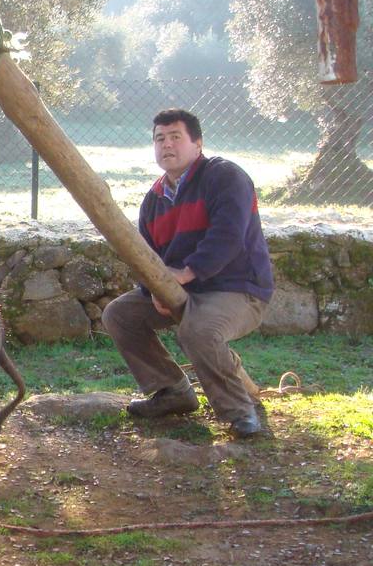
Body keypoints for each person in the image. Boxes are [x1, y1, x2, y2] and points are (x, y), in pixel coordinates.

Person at [103, 108, 273, 439]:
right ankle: (173, 391)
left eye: (175, 137)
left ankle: (240, 411)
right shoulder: (153, 200)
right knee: (119, 314)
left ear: (197, 143)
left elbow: (228, 237)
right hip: (185, 290)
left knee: (197, 330)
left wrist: (186, 274)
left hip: (238, 288)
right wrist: (154, 289)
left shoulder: (225, 177)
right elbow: (146, 257)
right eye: (159, 139)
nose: (166, 145)